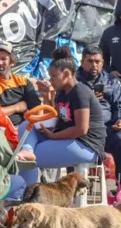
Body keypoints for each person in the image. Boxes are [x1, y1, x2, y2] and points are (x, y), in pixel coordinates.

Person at [16, 47, 107, 185]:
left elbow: (81, 129)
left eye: (53, 76)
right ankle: (27, 152)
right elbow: (54, 118)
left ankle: (25, 194)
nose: (50, 80)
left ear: (65, 74)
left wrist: (53, 136)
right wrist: (47, 97)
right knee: (25, 126)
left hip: (86, 145)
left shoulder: (80, 92)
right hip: (67, 138)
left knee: (31, 158)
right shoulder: (61, 92)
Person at [76, 45, 121, 189]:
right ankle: (75, 189)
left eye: (97, 61)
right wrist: (88, 99)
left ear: (103, 62)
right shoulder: (74, 81)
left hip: (106, 129)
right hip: (80, 131)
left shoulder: (111, 81)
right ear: (82, 62)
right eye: (90, 61)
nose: (94, 65)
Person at [0, 41, 41, 126]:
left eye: (4, 59)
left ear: (12, 62)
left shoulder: (23, 82)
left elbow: (37, 109)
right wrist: (16, 108)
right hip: (0, 130)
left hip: (24, 128)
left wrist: (46, 96)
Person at [100, 0, 121, 103]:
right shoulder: (109, 33)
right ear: (119, 16)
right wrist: (109, 72)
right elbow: (102, 58)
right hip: (120, 83)